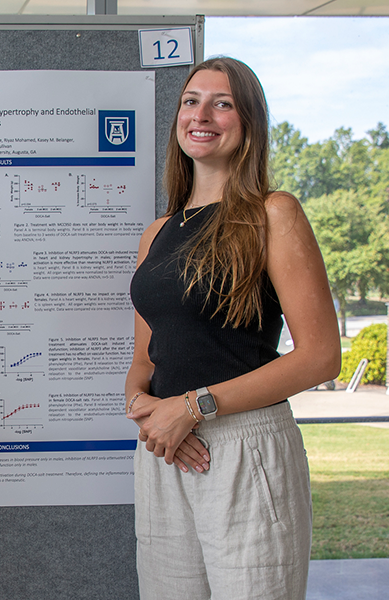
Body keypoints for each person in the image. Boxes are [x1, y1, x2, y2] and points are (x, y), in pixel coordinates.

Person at [125, 57, 340, 599]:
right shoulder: (157, 233)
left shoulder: (273, 214)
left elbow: (319, 356)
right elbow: (146, 363)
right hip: (167, 451)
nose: (202, 114)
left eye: (223, 103)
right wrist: (147, 409)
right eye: (191, 101)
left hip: (245, 448)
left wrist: (193, 405)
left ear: (248, 123)